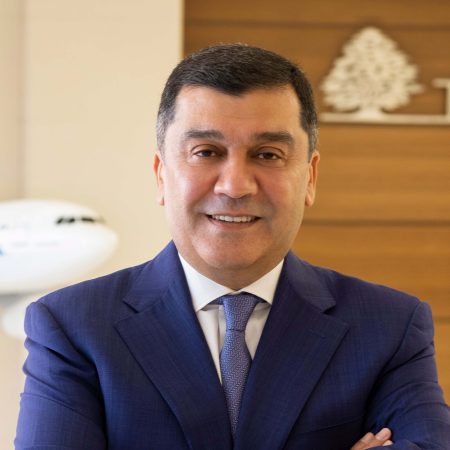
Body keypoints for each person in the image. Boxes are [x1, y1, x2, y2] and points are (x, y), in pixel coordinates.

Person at [15, 44, 449, 450]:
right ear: (161, 175)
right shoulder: (73, 327)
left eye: (268, 154)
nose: (235, 186)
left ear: (310, 177)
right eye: (206, 152)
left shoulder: (389, 326)